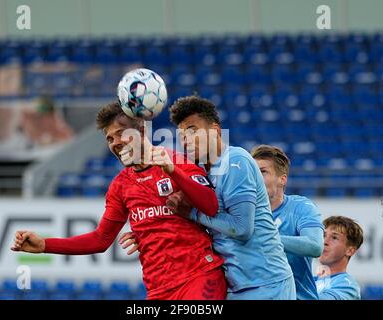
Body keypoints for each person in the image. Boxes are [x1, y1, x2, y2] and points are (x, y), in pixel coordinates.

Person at [11, 101, 227, 300]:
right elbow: (100, 239)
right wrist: (45, 244)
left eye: (120, 134)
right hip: (158, 289)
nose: (115, 143)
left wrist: (173, 172)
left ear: (141, 131)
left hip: (199, 277)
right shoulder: (121, 186)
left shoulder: (178, 162)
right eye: (109, 138)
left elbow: (211, 206)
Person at [123, 96, 296, 300]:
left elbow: (242, 229)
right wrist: (150, 232)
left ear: (215, 131)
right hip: (236, 285)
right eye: (182, 135)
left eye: (192, 130)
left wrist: (192, 213)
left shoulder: (235, 161)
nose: (186, 140)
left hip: (267, 283)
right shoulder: (203, 172)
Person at [250, 145, 324, 300]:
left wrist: (266, 238)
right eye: (252, 172)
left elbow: (315, 246)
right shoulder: (241, 212)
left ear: (282, 179)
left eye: (262, 172)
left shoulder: (300, 207)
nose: (255, 178)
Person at [315, 216, 363, 300]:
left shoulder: (348, 286)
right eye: (323, 235)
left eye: (334, 237)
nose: (324, 242)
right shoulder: (310, 281)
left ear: (350, 251)